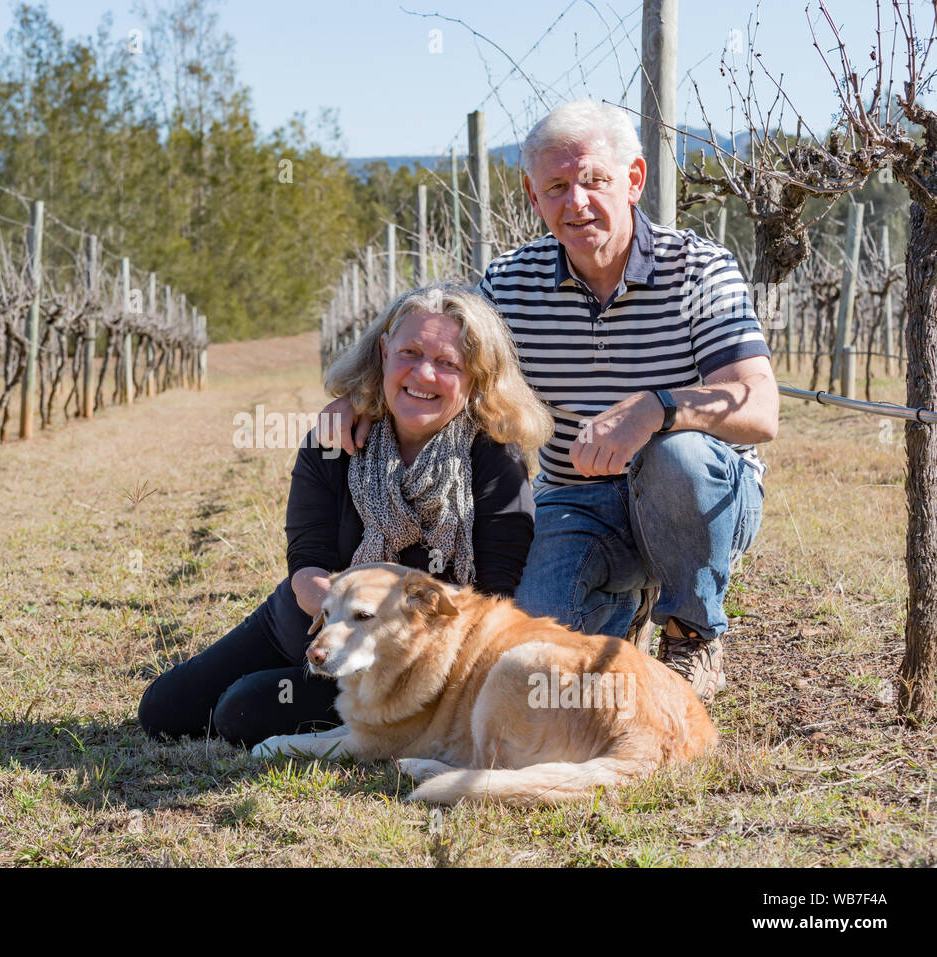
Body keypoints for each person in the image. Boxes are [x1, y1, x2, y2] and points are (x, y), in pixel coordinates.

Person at [320, 100, 779, 706]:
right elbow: (438, 345)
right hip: (576, 503)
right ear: (534, 199)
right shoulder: (509, 283)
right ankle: (624, 603)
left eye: (594, 180)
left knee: (680, 458)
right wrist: (365, 397)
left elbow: (759, 409)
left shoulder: (699, 270)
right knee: (532, 664)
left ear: (633, 180)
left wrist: (655, 408)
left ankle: (691, 632)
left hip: (695, 499)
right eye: (556, 187)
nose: (576, 202)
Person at [137, 283, 552, 747]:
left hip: (408, 663)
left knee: (242, 711)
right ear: (383, 351)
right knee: (162, 711)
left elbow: (492, 598)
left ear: (476, 376)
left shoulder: (495, 459)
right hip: (303, 624)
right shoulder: (335, 440)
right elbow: (307, 565)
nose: (424, 373)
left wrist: (379, 637)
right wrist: (339, 628)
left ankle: (370, 727)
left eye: (448, 363)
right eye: (409, 352)